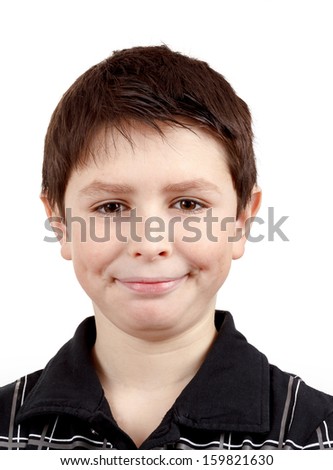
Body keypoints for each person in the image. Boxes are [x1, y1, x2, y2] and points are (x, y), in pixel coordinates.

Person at [0, 45, 332, 451]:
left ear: (241, 221)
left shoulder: (317, 436)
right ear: (61, 224)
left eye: (188, 205)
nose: (149, 243)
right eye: (111, 207)